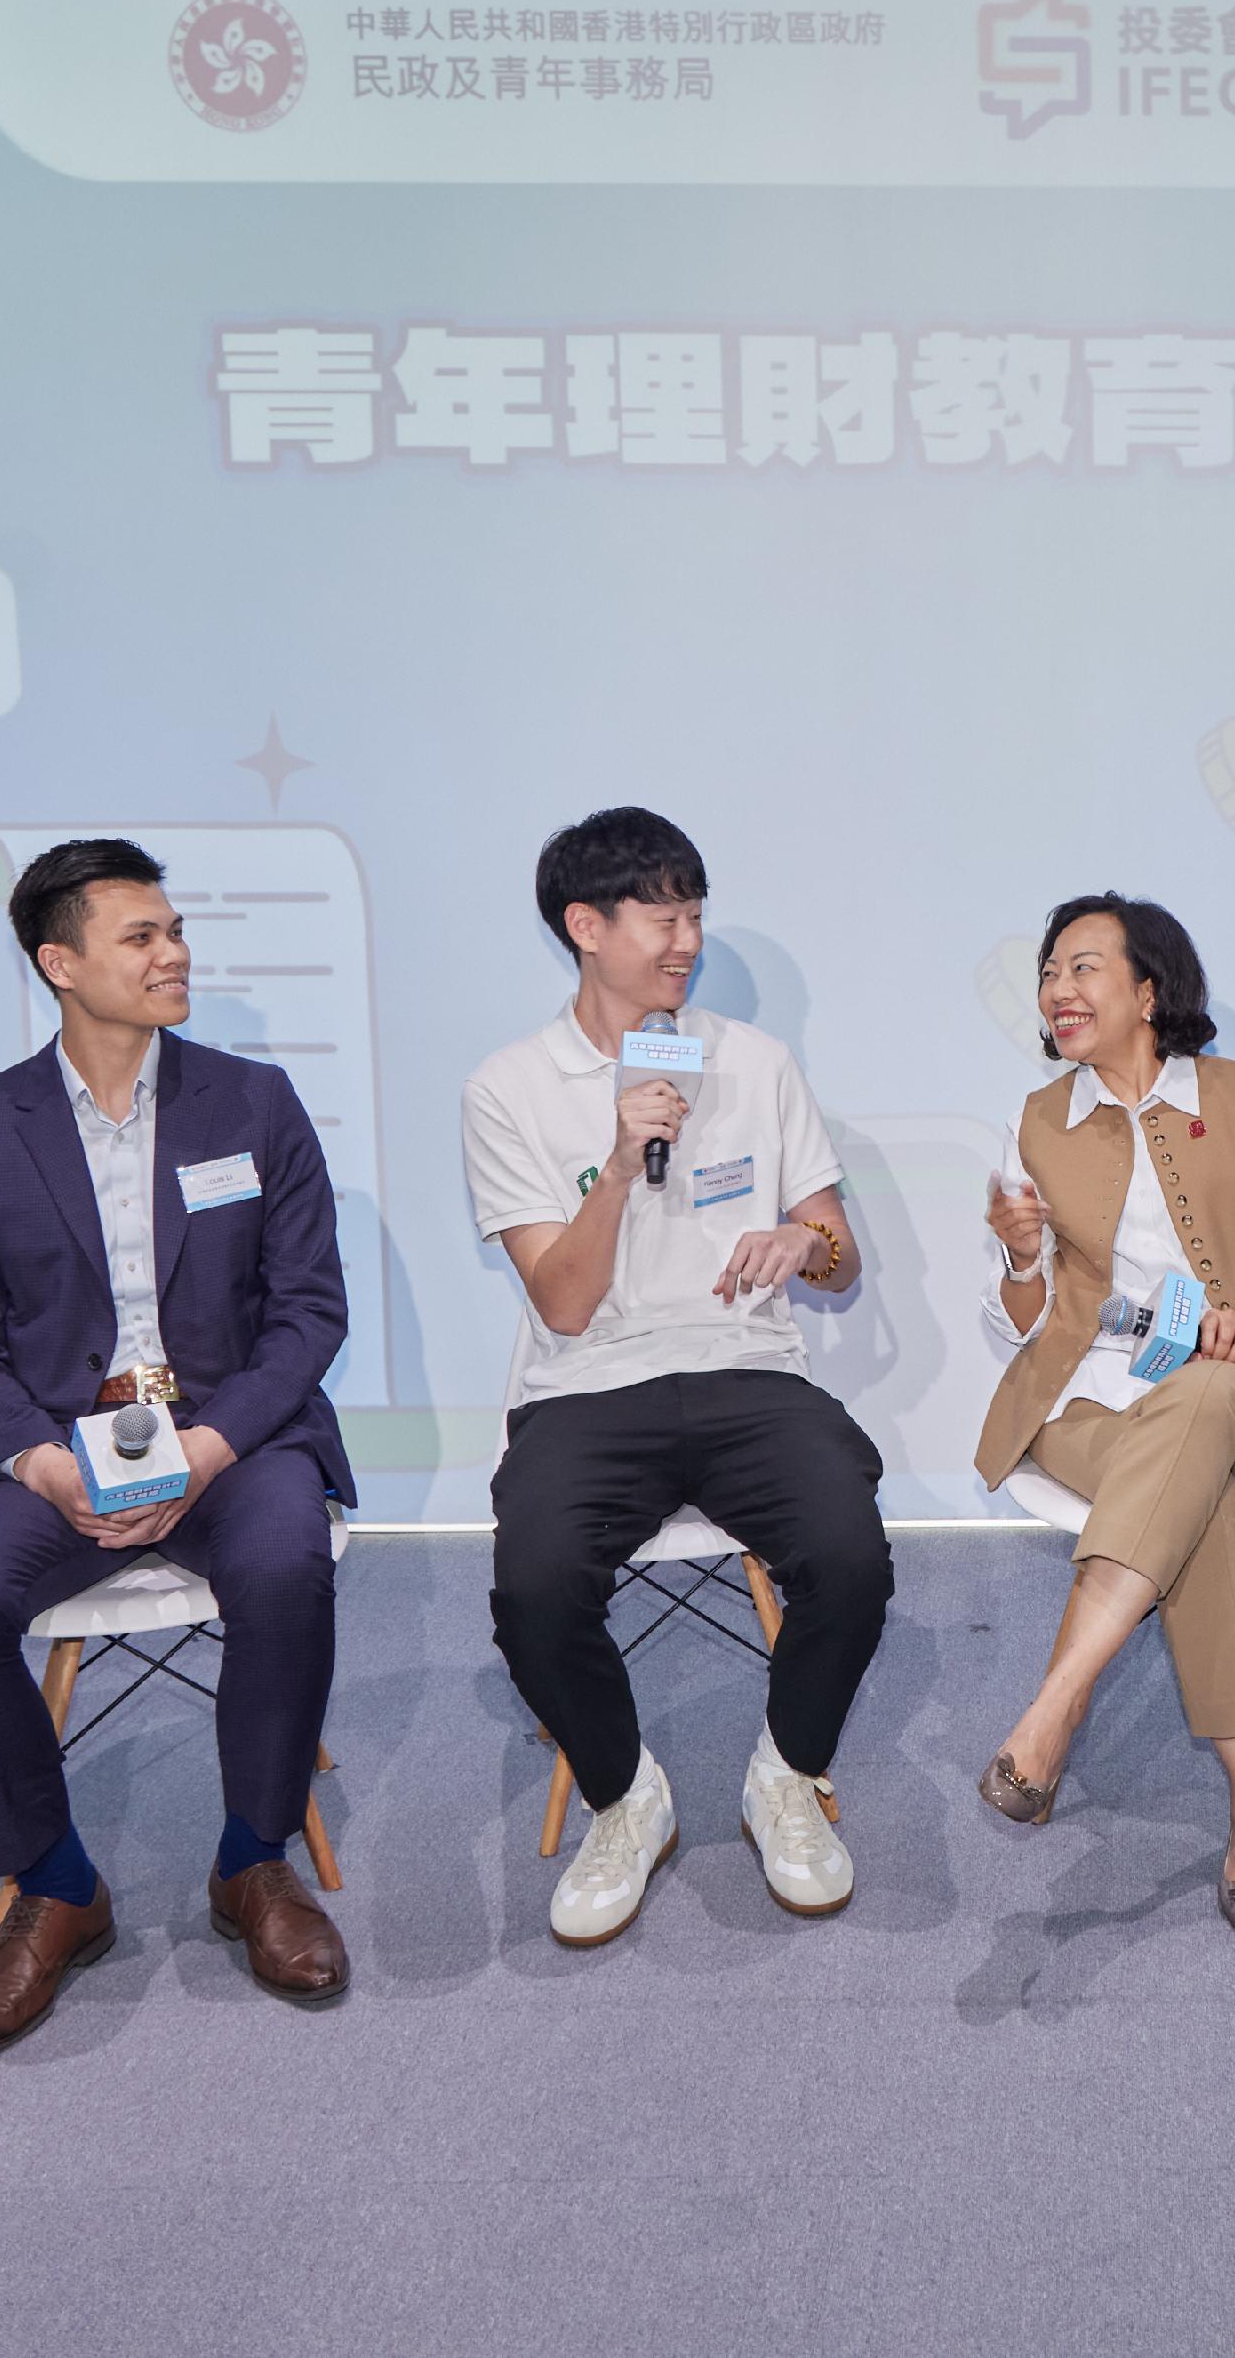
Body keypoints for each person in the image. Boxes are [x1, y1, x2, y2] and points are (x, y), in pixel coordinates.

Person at [0, 840, 354, 2055]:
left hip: (230, 1436)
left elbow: (309, 1314)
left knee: (282, 1562)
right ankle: (55, 1886)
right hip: (54, 1451)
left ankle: (254, 1863)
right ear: (59, 962)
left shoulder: (250, 1102)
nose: (174, 953)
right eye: (140, 937)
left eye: (176, 930)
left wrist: (203, 1448)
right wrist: (50, 1468)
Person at [465, 807, 892, 1947]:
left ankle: (785, 1775)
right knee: (536, 1589)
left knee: (851, 1556)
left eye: (694, 912)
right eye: (660, 913)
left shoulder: (754, 1062)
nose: (685, 938)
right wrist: (616, 1161)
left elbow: (840, 1256)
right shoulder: (509, 1085)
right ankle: (624, 1796)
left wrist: (805, 1245)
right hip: (586, 1384)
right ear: (585, 925)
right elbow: (560, 1301)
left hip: (746, 1365)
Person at [970, 894, 1235, 1939]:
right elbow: (1021, 1323)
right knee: (1197, 1500)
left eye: (1084, 966)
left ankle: (1055, 1704)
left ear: (1149, 990)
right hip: (1091, 1397)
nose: (1058, 989)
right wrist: (1015, 1258)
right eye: (1050, 970)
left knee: (1198, 1406)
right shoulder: (1035, 1124)